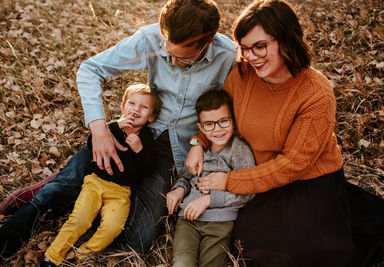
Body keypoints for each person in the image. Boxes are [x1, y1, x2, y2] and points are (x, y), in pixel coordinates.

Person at [0, 0, 237, 257]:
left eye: (182, 57)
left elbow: (227, 113)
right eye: (169, 54)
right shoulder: (152, 38)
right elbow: (90, 70)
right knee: (56, 194)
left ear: (209, 41)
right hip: (136, 129)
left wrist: (199, 142)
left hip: (172, 149)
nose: (174, 62)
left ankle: (74, 182)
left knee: (137, 242)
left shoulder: (227, 56)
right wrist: (100, 130)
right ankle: (58, 185)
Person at [186, 0, 384, 266]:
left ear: (286, 40)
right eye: (244, 48)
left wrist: (229, 181)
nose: (251, 56)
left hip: (307, 180)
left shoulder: (315, 93)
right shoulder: (242, 74)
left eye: (260, 46)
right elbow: (220, 117)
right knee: (244, 237)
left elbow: (293, 165)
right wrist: (199, 142)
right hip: (258, 172)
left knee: (298, 255)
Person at [40, 84, 160, 267]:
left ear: (152, 117)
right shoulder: (112, 128)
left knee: (113, 227)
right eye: (132, 103)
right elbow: (91, 144)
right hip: (95, 183)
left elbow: (149, 169)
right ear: (123, 107)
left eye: (144, 107)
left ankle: (80, 256)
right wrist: (114, 127)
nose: (136, 110)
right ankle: (53, 256)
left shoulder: (146, 139)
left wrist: (140, 151)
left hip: (121, 192)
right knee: (80, 219)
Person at [166, 89, 255, 267]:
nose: (217, 129)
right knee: (182, 263)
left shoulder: (239, 150)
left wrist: (209, 200)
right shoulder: (199, 150)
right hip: (188, 219)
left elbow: (248, 191)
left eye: (223, 121)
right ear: (200, 128)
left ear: (233, 121)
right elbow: (186, 175)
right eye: (209, 124)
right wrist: (179, 189)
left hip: (220, 223)